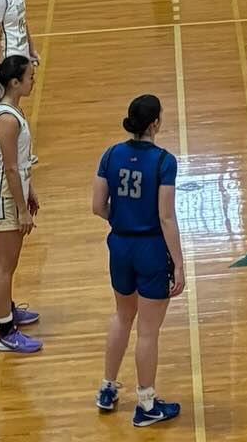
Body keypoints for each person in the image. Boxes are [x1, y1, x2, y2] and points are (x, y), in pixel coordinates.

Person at [92, 95, 185, 426]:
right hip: (149, 250)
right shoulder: (164, 162)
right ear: (156, 123)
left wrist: (123, 222)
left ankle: (107, 387)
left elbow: (98, 205)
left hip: (119, 245)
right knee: (148, 331)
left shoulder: (111, 154)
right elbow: (166, 217)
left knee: (122, 316)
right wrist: (179, 263)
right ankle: (146, 404)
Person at [0, 54, 41, 354]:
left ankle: (7, 310)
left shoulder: (13, 110)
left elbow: (19, 165)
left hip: (11, 192)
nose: (33, 80)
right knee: (4, 264)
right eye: (29, 77)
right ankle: (4, 330)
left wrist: (30, 190)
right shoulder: (6, 119)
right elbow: (11, 168)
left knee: (9, 262)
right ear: (15, 82)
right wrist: (22, 209)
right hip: (4, 197)